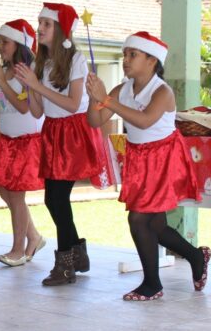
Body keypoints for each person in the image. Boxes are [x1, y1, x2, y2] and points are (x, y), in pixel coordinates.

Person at [87, 31, 209, 300]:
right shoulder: (122, 89)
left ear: (152, 61)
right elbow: (95, 121)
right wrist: (94, 97)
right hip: (140, 159)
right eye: (125, 55)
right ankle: (195, 255)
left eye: (133, 55)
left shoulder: (162, 92)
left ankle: (152, 284)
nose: (126, 60)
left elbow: (144, 121)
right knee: (154, 225)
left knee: (138, 219)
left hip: (163, 160)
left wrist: (107, 100)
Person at [14, 2, 111, 285]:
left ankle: (66, 264)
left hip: (73, 133)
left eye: (46, 24)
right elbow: (37, 111)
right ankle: (76, 253)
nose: (40, 28)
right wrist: (30, 86)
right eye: (39, 23)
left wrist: (37, 84)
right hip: (53, 132)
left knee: (55, 198)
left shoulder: (76, 59)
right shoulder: (39, 62)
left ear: (61, 30)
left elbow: (71, 104)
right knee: (54, 198)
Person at [0, 19, 46, 266]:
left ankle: (18, 250)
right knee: (5, 192)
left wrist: (2, 82)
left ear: (19, 44)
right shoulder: (3, 71)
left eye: (5, 42)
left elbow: (24, 106)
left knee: (16, 196)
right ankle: (34, 237)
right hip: (7, 142)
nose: (0, 47)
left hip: (27, 142)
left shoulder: (29, 71)